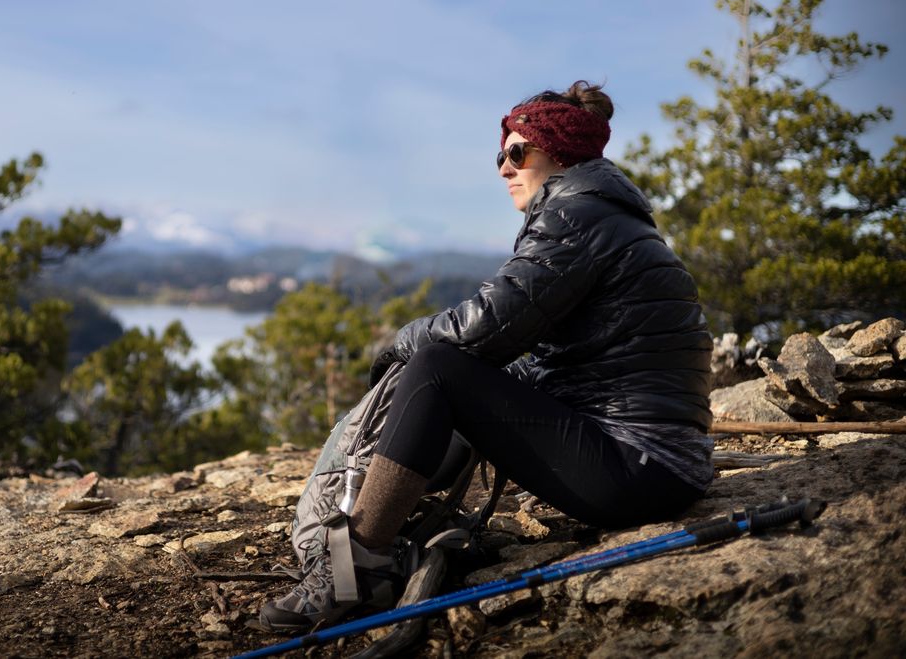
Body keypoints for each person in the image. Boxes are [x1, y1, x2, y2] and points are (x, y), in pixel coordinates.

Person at [260, 81, 714, 632]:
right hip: (659, 464)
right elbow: (544, 360)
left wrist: (401, 342)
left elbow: (483, 328)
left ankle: (355, 569)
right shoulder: (607, 216)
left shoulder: (576, 217)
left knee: (436, 367)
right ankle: (393, 520)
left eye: (517, 152)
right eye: (500, 155)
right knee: (453, 372)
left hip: (637, 468)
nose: (503, 168)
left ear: (560, 152)